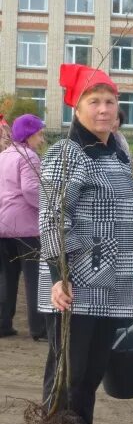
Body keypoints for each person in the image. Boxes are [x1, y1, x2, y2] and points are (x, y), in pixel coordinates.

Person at [38, 64, 133, 424]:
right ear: (76, 107)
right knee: (67, 376)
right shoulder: (67, 153)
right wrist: (59, 277)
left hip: (110, 285)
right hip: (73, 287)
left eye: (110, 102)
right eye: (93, 102)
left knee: (90, 375)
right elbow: (52, 219)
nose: (103, 110)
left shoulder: (117, 150)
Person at [0, 114, 46, 339]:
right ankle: (38, 328)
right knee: (34, 278)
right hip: (26, 227)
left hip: (3, 224)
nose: (41, 138)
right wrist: (46, 207)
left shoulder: (3, 155)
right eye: (39, 133)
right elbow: (30, 190)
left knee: (5, 278)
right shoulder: (28, 156)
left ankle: (2, 324)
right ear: (29, 135)